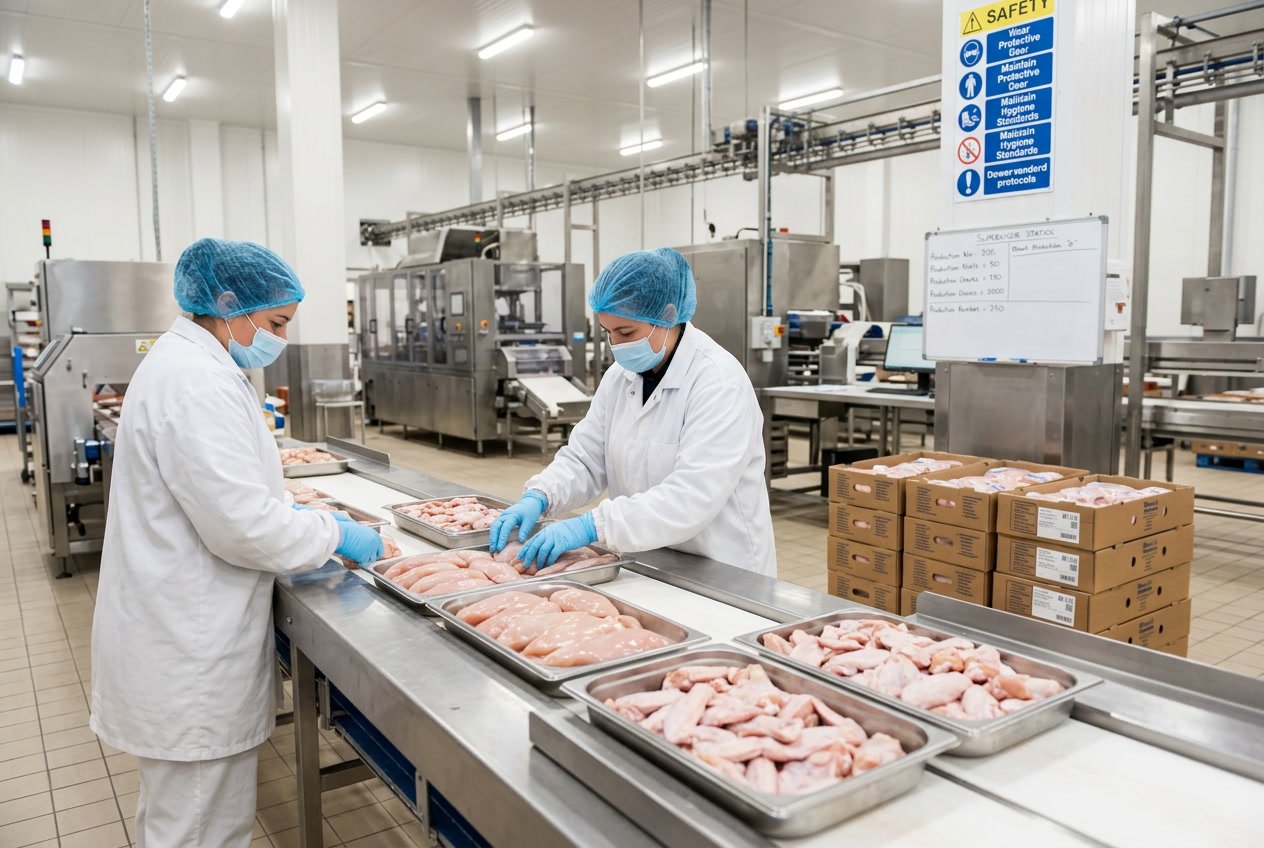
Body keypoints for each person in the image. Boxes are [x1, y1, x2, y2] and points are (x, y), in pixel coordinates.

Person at [89, 238, 383, 847]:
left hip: (178, 632)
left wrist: (287, 507)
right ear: (227, 305)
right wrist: (335, 533)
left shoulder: (192, 365)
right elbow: (242, 526)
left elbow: (224, 493)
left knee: (176, 822)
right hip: (190, 650)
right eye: (275, 322)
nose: (279, 338)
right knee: (200, 828)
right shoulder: (198, 382)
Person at [489, 247, 776, 576]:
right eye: (608, 333)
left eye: (626, 333)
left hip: (722, 568)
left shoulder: (718, 384)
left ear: (668, 315)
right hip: (649, 558)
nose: (617, 345)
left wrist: (591, 525)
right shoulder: (619, 378)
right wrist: (542, 495)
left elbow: (691, 497)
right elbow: (587, 456)